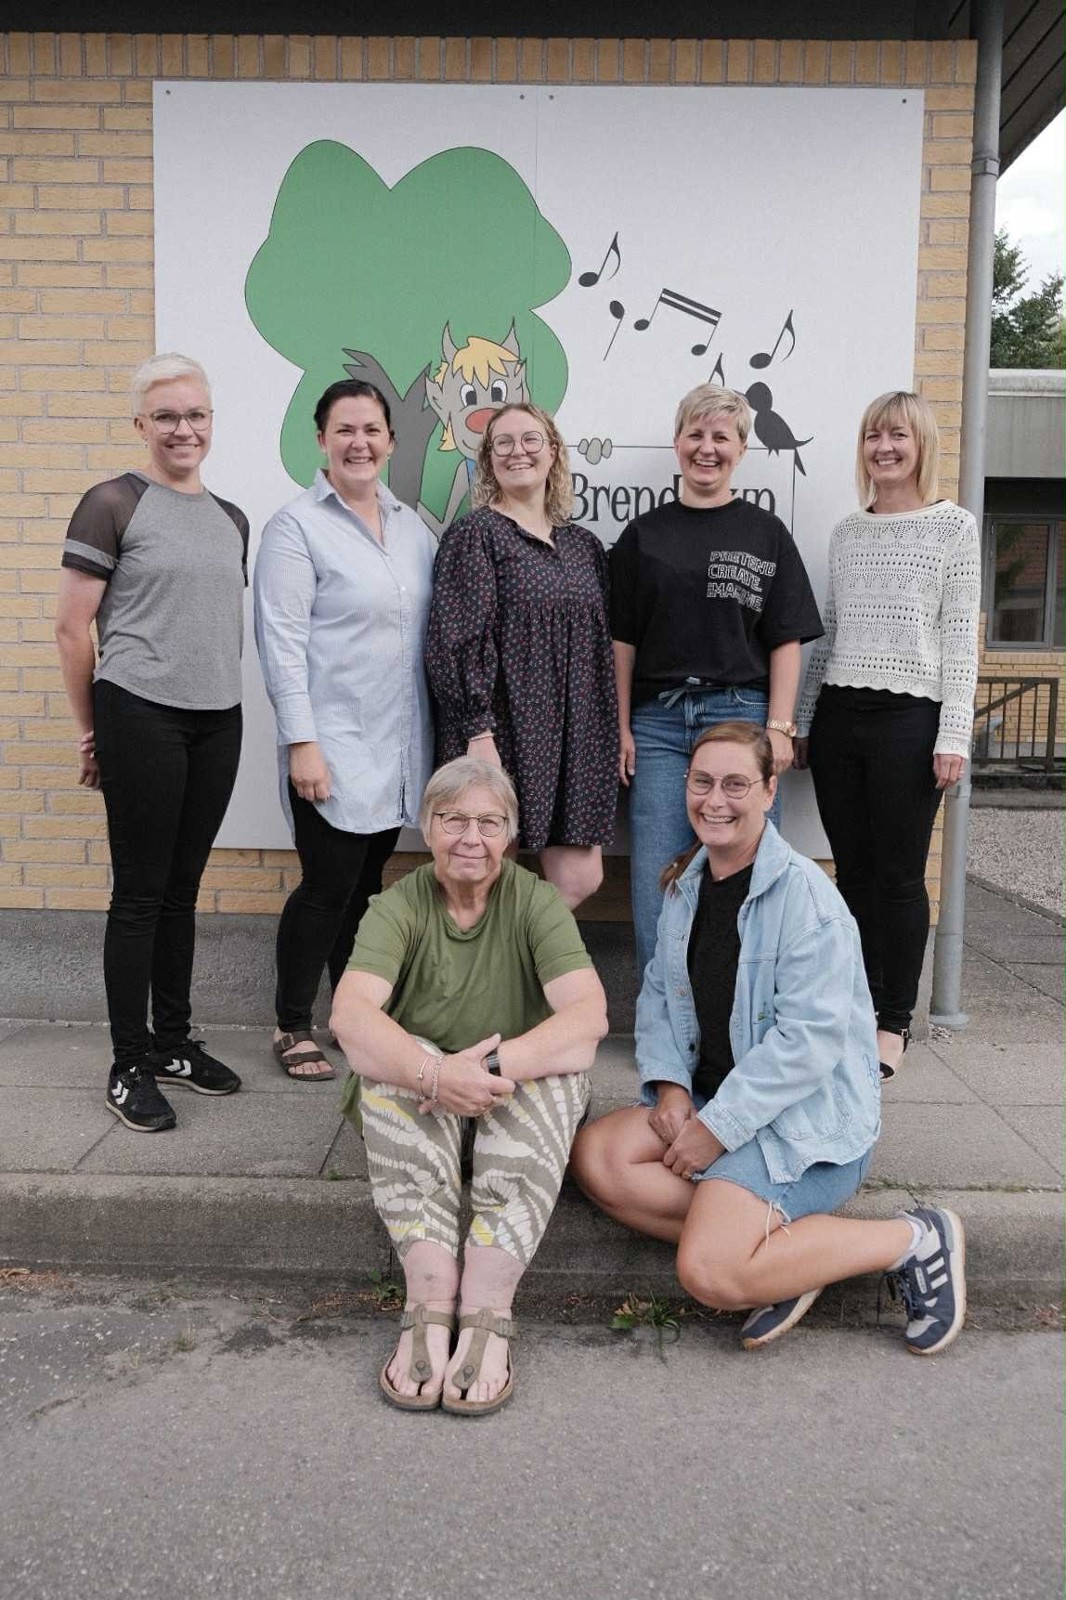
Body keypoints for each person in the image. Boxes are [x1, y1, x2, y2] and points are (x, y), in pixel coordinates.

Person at [571, 723, 966, 1356]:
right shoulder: (687, 884)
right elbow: (658, 999)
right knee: (598, 1159)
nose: (715, 800)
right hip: (718, 1104)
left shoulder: (808, 900)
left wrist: (716, 1129)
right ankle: (783, 1257)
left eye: (735, 784)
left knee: (710, 1274)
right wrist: (672, 1092)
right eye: (703, 782)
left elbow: (806, 1045)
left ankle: (915, 1240)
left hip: (800, 1126)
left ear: (768, 790)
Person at [332, 757, 608, 1414]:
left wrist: (485, 1070)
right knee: (392, 1065)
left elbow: (588, 1017)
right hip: (426, 1099)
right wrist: (433, 1071)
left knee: (553, 1069)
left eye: (488, 822)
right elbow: (349, 1015)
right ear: (427, 828)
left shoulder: (535, 901)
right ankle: (429, 1303)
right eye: (453, 820)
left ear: (509, 835)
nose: (470, 838)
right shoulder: (397, 905)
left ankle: (487, 1311)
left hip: (503, 1093)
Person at [54, 353, 247, 1132]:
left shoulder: (232, 517)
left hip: (218, 716)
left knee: (182, 889)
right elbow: (72, 629)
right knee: (139, 894)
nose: (182, 428)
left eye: (195, 414)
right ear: (141, 425)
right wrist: (90, 730)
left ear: (211, 421)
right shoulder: (112, 504)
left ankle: (172, 1042)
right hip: (139, 712)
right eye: (165, 416)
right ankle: (128, 1063)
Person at [794, 391, 981, 1079]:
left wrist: (953, 734)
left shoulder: (952, 528)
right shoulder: (848, 531)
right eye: (874, 436)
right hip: (843, 715)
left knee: (899, 877)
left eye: (897, 435)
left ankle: (892, 1020)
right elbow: (834, 630)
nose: (884, 448)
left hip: (912, 720)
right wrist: (808, 719)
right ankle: (851, 1003)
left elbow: (961, 638)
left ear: (921, 445)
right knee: (853, 874)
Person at [611, 383, 823, 980]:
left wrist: (780, 728)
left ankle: (740, 1008)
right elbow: (621, 640)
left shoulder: (765, 533)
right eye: (696, 435)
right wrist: (622, 725)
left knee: (746, 869)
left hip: (741, 716)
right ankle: (663, 1012)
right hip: (656, 726)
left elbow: (786, 637)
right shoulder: (642, 537)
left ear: (742, 448)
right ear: (678, 443)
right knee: (659, 874)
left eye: (720, 437)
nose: (707, 449)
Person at [254, 379, 435, 1080]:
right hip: (329, 744)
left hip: (394, 746)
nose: (359, 443)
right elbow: (282, 641)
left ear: (390, 440)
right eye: (344, 430)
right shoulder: (296, 527)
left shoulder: (412, 526)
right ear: (321, 439)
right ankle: (290, 1024)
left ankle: (352, 1018)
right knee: (325, 888)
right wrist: (302, 742)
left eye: (371, 430)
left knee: (364, 890)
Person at [424, 402, 617, 911]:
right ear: (488, 460)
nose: (518, 452)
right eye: (502, 443)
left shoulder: (584, 547)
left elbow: (599, 649)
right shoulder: (476, 535)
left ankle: (517, 969)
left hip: (572, 735)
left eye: (531, 440)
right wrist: (478, 733)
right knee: (485, 871)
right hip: (496, 728)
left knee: (579, 876)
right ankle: (481, 986)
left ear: (553, 452)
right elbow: (454, 639)